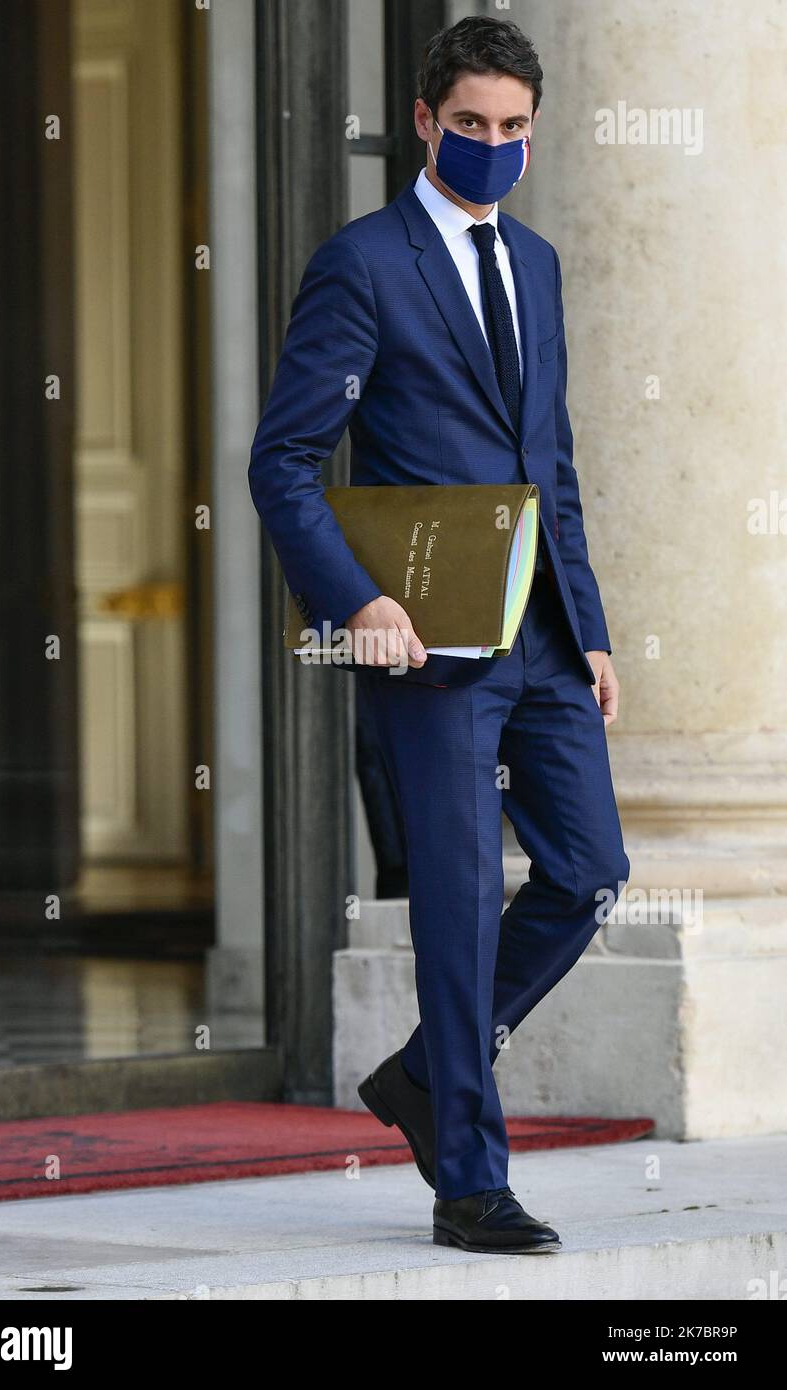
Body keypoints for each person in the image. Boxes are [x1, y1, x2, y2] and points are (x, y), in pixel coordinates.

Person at [248, 15, 629, 1254]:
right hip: (428, 644)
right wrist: (357, 601)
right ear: (422, 121)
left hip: (544, 641)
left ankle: (421, 1073)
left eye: (512, 129)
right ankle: (468, 1176)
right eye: (468, 125)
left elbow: (549, 463)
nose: (491, 146)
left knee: (586, 873)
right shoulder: (362, 264)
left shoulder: (540, 266)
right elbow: (283, 463)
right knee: (461, 905)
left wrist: (594, 627)